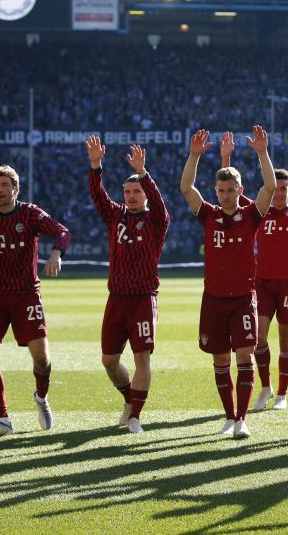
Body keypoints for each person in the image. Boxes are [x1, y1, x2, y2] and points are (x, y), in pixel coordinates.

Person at [0, 164, 71, 439]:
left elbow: (62, 232)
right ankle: (2, 419)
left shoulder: (30, 213)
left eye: (4, 185)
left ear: (15, 189)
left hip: (25, 294)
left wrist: (56, 253)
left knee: (41, 359)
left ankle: (41, 398)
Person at [180, 127, 275, 439]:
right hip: (214, 299)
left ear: (239, 189)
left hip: (243, 298)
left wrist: (262, 152)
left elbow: (271, 187)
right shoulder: (208, 215)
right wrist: (194, 156)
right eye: (221, 190)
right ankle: (230, 417)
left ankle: (243, 419)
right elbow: (186, 188)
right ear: (216, 191)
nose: (226, 195)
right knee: (220, 359)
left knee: (244, 355)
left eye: (231, 189)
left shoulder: (251, 216)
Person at [220, 132, 288, 411]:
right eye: (274, 188)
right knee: (259, 337)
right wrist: (226, 158)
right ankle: (265, 388)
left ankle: (282, 394)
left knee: (286, 338)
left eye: (282, 189)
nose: (278, 193)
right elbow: (232, 198)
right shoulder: (259, 211)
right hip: (262, 284)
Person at [85, 138, 169, 433]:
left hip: (143, 298)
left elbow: (159, 203)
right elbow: (97, 196)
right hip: (117, 298)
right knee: (109, 360)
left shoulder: (157, 220)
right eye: (128, 191)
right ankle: (129, 399)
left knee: (141, 358)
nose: (131, 196)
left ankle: (135, 416)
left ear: (145, 194)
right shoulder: (116, 216)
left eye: (137, 192)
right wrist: (96, 165)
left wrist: (144, 173)